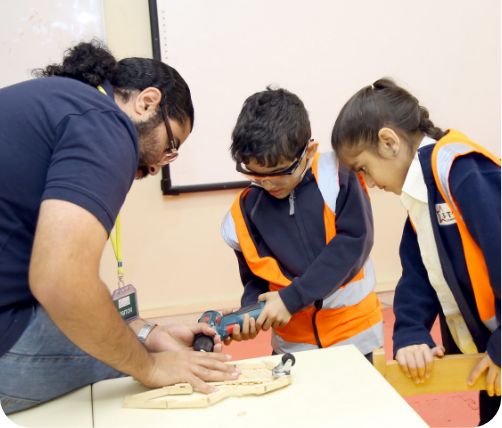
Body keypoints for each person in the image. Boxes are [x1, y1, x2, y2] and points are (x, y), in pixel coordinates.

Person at [0, 40, 239, 415]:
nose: (162, 162)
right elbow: (60, 281)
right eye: (171, 144)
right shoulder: (106, 124)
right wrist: (150, 364)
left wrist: (147, 333)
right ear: (146, 102)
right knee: (136, 370)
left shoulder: (63, 103)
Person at [331, 78, 500, 425]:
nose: (369, 182)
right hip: (489, 357)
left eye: (363, 168)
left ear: (389, 142)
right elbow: (420, 272)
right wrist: (410, 334)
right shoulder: (424, 191)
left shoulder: (462, 171)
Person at [220, 87, 383, 358]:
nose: (267, 183)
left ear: (309, 151)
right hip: (292, 344)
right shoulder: (245, 211)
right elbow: (256, 278)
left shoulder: (339, 177)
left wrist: (291, 299)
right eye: (255, 174)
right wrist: (251, 310)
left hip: (354, 336)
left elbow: (353, 245)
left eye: (278, 173)